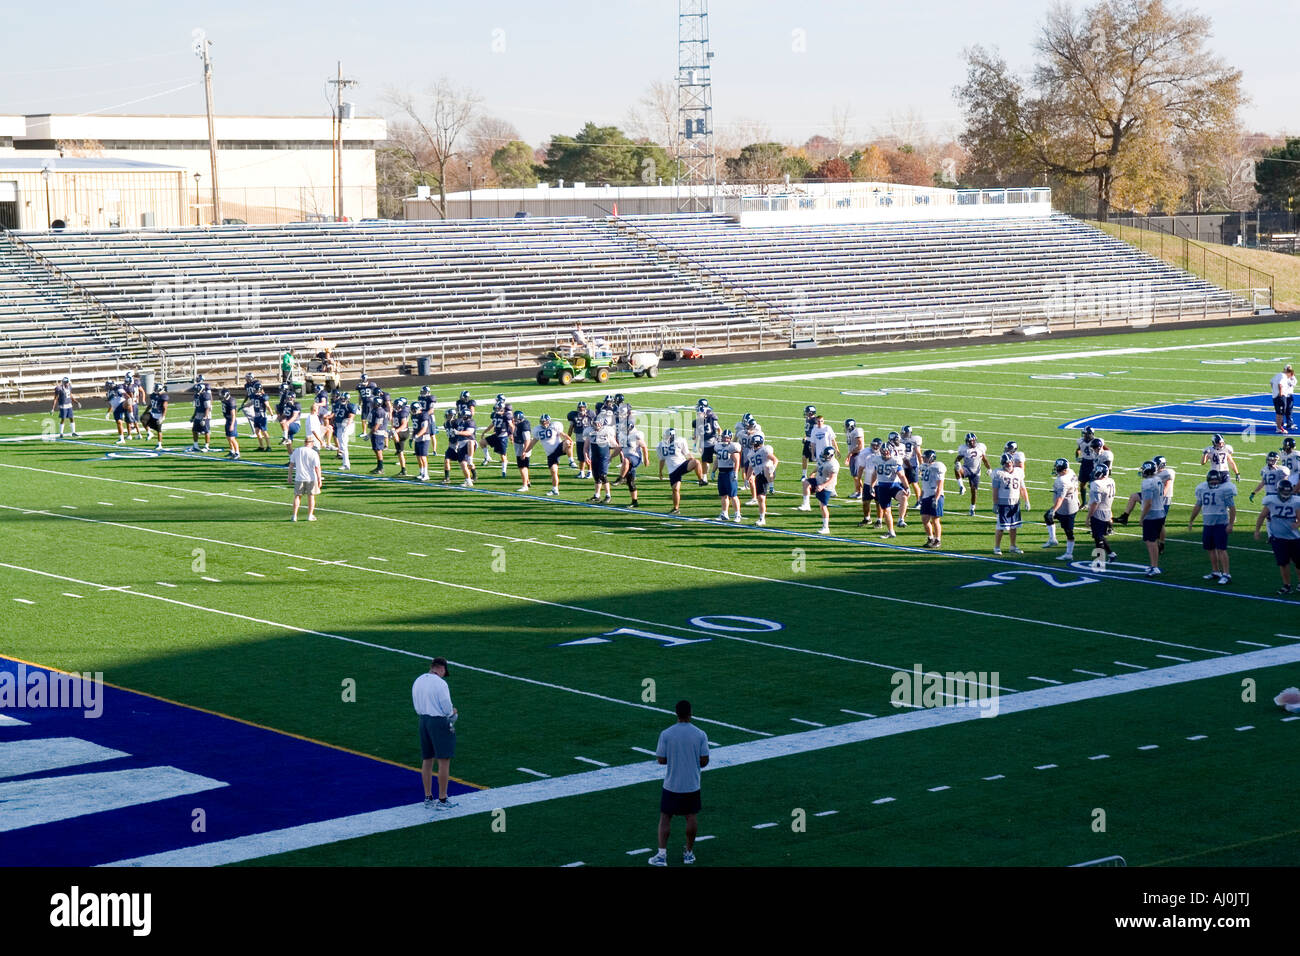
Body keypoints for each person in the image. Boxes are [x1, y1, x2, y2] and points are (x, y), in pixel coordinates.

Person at [648, 699, 709, 867]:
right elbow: (704, 760)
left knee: (665, 817)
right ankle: (688, 853)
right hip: (692, 784)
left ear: (676, 713)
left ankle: (662, 855)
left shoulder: (666, 734)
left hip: (671, 784)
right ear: (690, 713)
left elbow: (661, 759)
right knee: (691, 817)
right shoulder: (700, 734)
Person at [413, 657, 459, 810]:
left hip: (423, 721)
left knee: (427, 760)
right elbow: (447, 709)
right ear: (441, 669)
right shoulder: (440, 683)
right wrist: (453, 713)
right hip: (438, 722)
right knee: (443, 761)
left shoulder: (418, 680)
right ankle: (443, 799)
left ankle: (428, 797)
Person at [1188, 469, 1237, 585]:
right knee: (1210, 549)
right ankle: (1216, 571)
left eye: (1216, 480)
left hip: (1221, 524)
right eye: (1212, 480)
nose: (1214, 482)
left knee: (1221, 549)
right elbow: (1197, 505)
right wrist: (1191, 520)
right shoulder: (1202, 489)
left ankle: (1226, 574)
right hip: (1207, 524)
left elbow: (1233, 508)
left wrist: (1231, 524)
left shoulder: (1225, 490)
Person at [1255, 479, 1300, 595]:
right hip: (1278, 538)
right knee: (1283, 563)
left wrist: (1297, 524)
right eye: (1284, 492)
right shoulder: (1271, 501)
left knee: (1299, 562)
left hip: (1294, 538)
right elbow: (1261, 516)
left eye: (1288, 492)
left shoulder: (1296, 501)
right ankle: (1287, 585)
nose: (1286, 495)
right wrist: (1257, 531)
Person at [524, 413, 573, 497]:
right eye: (542, 422)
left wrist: (570, 440)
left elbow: (563, 435)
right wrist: (525, 452)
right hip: (550, 454)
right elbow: (532, 443)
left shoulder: (554, 426)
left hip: (559, 448)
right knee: (554, 471)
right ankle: (555, 489)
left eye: (546, 421)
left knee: (568, 442)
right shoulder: (538, 430)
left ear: (549, 421)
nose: (544, 423)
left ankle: (571, 461)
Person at [991, 452, 1029, 555]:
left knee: (1014, 526)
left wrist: (1026, 500)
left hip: (1015, 503)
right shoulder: (998, 473)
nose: (1008, 465)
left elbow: (1022, 487)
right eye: (1006, 463)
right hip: (1003, 503)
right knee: (1001, 527)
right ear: (1002, 464)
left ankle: (1013, 546)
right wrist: (995, 503)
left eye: (1010, 463)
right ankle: (997, 547)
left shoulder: (1018, 472)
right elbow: (995, 490)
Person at [1135, 460, 1168, 576]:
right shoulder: (1158, 479)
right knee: (1152, 541)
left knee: (1151, 542)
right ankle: (1153, 565)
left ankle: (1155, 566)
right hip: (1160, 513)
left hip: (1152, 515)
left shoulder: (1147, 483)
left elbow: (1148, 503)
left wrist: (1142, 517)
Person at [1043, 458, 1080, 561]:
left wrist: (1053, 510)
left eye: (1059, 469)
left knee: (1068, 532)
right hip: (1070, 502)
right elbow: (1076, 488)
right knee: (1047, 517)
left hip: (1066, 508)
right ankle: (1052, 539)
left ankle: (1069, 553)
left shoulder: (1062, 481)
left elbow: (1060, 498)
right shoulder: (1070, 472)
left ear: (1064, 470)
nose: (1057, 470)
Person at [1086, 462, 1117, 564]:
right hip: (1107, 510)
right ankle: (1111, 554)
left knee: (1097, 537)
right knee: (1099, 535)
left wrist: (1089, 516)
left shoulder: (1096, 484)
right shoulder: (1111, 481)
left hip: (1098, 512)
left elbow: (1096, 502)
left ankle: (1099, 560)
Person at [805, 446, 840, 535]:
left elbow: (832, 478)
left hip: (826, 486)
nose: (824, 456)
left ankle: (826, 527)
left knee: (823, 506)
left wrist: (822, 486)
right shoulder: (822, 457)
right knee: (805, 483)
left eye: (826, 455)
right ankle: (806, 504)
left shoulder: (833, 464)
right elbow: (819, 465)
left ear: (832, 455)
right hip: (818, 480)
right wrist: (813, 472)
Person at [288, 434, 323, 521]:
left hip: (299, 477)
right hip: (311, 478)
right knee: (311, 497)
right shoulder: (313, 453)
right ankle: (310, 515)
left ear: (305, 442)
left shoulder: (297, 451)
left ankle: (294, 516)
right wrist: (319, 479)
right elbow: (317, 467)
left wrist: (289, 476)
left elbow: (291, 464)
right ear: (311, 443)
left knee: (297, 496)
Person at [918, 449, 946, 549]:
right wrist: (921, 495)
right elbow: (924, 484)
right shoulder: (923, 467)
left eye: (925, 457)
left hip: (935, 495)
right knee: (925, 519)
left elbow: (940, 486)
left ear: (931, 458)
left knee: (935, 520)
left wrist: (936, 499)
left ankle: (938, 540)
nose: (923, 459)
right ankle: (930, 538)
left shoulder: (938, 467)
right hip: (926, 495)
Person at [955, 432, 989, 516]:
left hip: (976, 472)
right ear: (967, 442)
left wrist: (989, 468)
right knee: (956, 468)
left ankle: (972, 508)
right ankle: (961, 486)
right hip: (966, 469)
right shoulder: (964, 449)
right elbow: (957, 459)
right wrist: (957, 463)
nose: (972, 443)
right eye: (970, 441)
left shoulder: (980, 447)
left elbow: (984, 459)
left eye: (973, 441)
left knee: (974, 491)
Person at [748, 433, 778, 526]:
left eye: (757, 444)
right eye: (755, 444)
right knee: (760, 498)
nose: (756, 446)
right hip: (759, 476)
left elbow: (775, 460)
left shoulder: (765, 450)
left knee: (766, 467)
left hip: (769, 473)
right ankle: (762, 519)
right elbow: (750, 467)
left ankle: (772, 487)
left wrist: (773, 468)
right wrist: (747, 478)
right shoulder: (751, 454)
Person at [714, 428, 743, 522]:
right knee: (723, 495)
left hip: (729, 472)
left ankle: (737, 514)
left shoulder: (733, 447)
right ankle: (724, 513)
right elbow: (717, 460)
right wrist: (713, 471)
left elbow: (737, 460)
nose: (725, 439)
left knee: (733, 495)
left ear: (730, 438)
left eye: (727, 438)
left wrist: (735, 472)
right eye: (724, 437)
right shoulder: (718, 446)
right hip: (721, 473)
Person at [1271, 363, 1296, 433]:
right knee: (1280, 413)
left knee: (1279, 413)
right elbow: (1280, 384)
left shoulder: (1278, 375)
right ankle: (1279, 428)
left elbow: (1271, 382)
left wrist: (1274, 392)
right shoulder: (1283, 376)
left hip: (1276, 396)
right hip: (1281, 397)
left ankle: (1279, 427)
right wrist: (1281, 393)